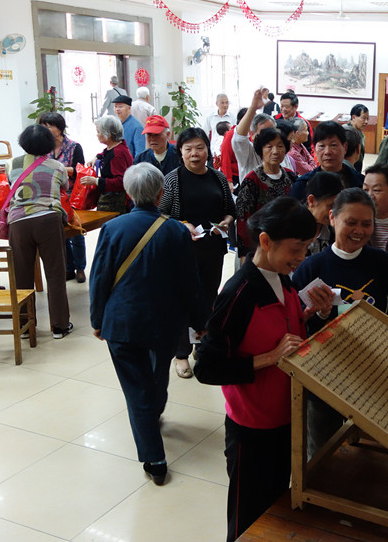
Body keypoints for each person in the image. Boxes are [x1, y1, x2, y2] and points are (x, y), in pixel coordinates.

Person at [193, 197, 333, 542]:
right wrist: (269, 358)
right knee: (248, 514)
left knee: (275, 504)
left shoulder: (283, 279)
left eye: (307, 247)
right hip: (251, 426)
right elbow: (206, 367)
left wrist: (308, 315)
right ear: (266, 241)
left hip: (286, 414)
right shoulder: (238, 293)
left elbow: (283, 329)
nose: (302, 257)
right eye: (296, 248)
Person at [89, 163, 208, 487]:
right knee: (156, 375)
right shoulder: (176, 231)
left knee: (136, 388)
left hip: (122, 322)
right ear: (160, 194)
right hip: (164, 322)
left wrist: (97, 319)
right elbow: (190, 282)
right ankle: (153, 416)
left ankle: (155, 458)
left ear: (128, 193)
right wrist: (200, 321)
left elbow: (100, 277)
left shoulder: (113, 228)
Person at [291, 188, 388, 457]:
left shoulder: (382, 264)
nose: (359, 231)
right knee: (321, 449)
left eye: (366, 224)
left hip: (375, 372)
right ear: (332, 218)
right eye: (351, 222)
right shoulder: (311, 267)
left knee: (376, 449)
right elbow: (296, 329)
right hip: (324, 375)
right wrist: (321, 315)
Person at [159, 127, 236, 379]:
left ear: (207, 150)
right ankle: (181, 353)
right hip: (182, 250)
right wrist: (183, 224)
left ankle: (200, 345)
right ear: (180, 152)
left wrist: (226, 222)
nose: (195, 153)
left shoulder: (218, 177)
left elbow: (230, 210)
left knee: (208, 297)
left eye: (199, 147)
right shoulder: (173, 179)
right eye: (188, 148)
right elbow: (161, 213)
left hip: (212, 249)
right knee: (183, 300)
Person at [7, 125, 72, 338]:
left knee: (21, 274)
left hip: (18, 222)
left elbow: (11, 185)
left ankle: (26, 326)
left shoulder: (12, 164)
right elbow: (65, 187)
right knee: (55, 273)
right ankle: (60, 326)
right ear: (49, 144)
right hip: (48, 220)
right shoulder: (57, 166)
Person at [39, 112, 86, 283]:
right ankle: (68, 268)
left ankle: (80, 268)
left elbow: (79, 170)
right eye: (43, 126)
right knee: (60, 232)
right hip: (52, 194)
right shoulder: (43, 147)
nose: (44, 130)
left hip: (71, 194)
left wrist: (59, 169)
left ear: (59, 129)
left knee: (76, 231)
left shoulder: (74, 147)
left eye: (48, 126)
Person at [235, 127, 297, 258]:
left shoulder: (291, 177)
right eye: (269, 147)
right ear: (261, 150)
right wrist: (246, 255)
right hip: (261, 248)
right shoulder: (252, 180)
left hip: (288, 245)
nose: (275, 151)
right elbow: (243, 220)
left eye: (280, 146)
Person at [289, 121, 364, 202]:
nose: (327, 152)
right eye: (322, 146)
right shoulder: (302, 184)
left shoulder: (360, 182)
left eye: (333, 145)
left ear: (345, 148)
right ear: (315, 149)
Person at [81, 115, 132, 214]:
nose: (97, 135)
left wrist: (96, 181)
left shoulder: (117, 154)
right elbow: (106, 152)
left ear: (108, 135)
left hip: (114, 202)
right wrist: (97, 157)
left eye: (98, 132)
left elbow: (120, 182)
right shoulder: (117, 146)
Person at [233, 89, 277, 183]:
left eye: (272, 131)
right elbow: (239, 139)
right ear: (252, 134)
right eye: (264, 132)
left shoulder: (280, 153)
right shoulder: (248, 152)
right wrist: (253, 108)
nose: (269, 136)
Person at [304, 171, 343, 257]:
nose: (335, 212)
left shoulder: (334, 231)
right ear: (311, 201)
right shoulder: (290, 228)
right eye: (331, 205)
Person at [203, 93, 234, 158]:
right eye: (222, 103)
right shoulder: (210, 117)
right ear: (217, 103)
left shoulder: (233, 117)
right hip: (214, 151)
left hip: (229, 151)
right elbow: (205, 133)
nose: (225, 105)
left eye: (227, 102)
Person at [344, 104, 369, 172]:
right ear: (353, 117)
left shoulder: (361, 133)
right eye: (363, 118)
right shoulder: (344, 131)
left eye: (367, 119)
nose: (366, 122)